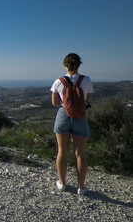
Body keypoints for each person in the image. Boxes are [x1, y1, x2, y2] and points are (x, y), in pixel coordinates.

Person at [50, 53, 94, 195]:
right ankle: (81, 187)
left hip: (63, 114)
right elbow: (87, 98)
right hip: (80, 116)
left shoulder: (58, 81)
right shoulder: (86, 80)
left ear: (65, 65)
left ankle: (62, 183)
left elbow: (55, 103)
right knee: (80, 153)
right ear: (79, 64)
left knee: (62, 151)